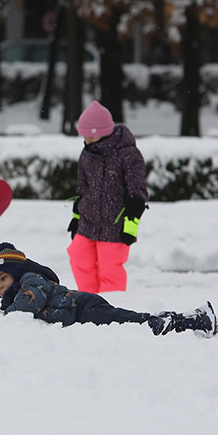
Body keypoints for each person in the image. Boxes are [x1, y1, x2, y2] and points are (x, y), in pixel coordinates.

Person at [0, 242, 218, 335]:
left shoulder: (31, 279)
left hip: (83, 307)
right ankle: (169, 321)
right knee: (128, 323)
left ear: (15, 274)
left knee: (129, 323)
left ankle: (193, 321)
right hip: (80, 315)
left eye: (3, 278)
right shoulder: (15, 297)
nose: (0, 287)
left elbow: (27, 305)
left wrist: (1, 321)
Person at [68, 101, 148, 292]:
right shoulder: (87, 154)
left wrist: (131, 224)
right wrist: (76, 218)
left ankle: (111, 309)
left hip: (115, 224)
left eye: (90, 136)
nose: (86, 140)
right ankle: (89, 301)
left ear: (102, 133)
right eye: (84, 135)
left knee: (109, 268)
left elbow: (137, 193)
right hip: (88, 221)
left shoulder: (128, 154)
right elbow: (82, 190)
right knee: (79, 258)